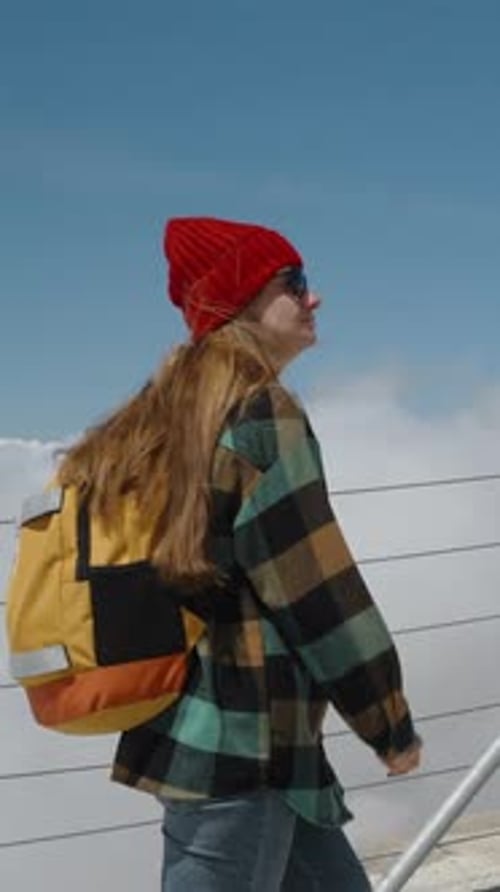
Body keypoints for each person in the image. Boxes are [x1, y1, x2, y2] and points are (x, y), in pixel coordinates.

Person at [59, 217, 422, 890]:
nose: (314, 298)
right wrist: (388, 722)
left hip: (205, 728)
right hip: (241, 744)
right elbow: (319, 592)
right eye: (295, 282)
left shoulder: (155, 413)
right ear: (243, 299)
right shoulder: (259, 414)